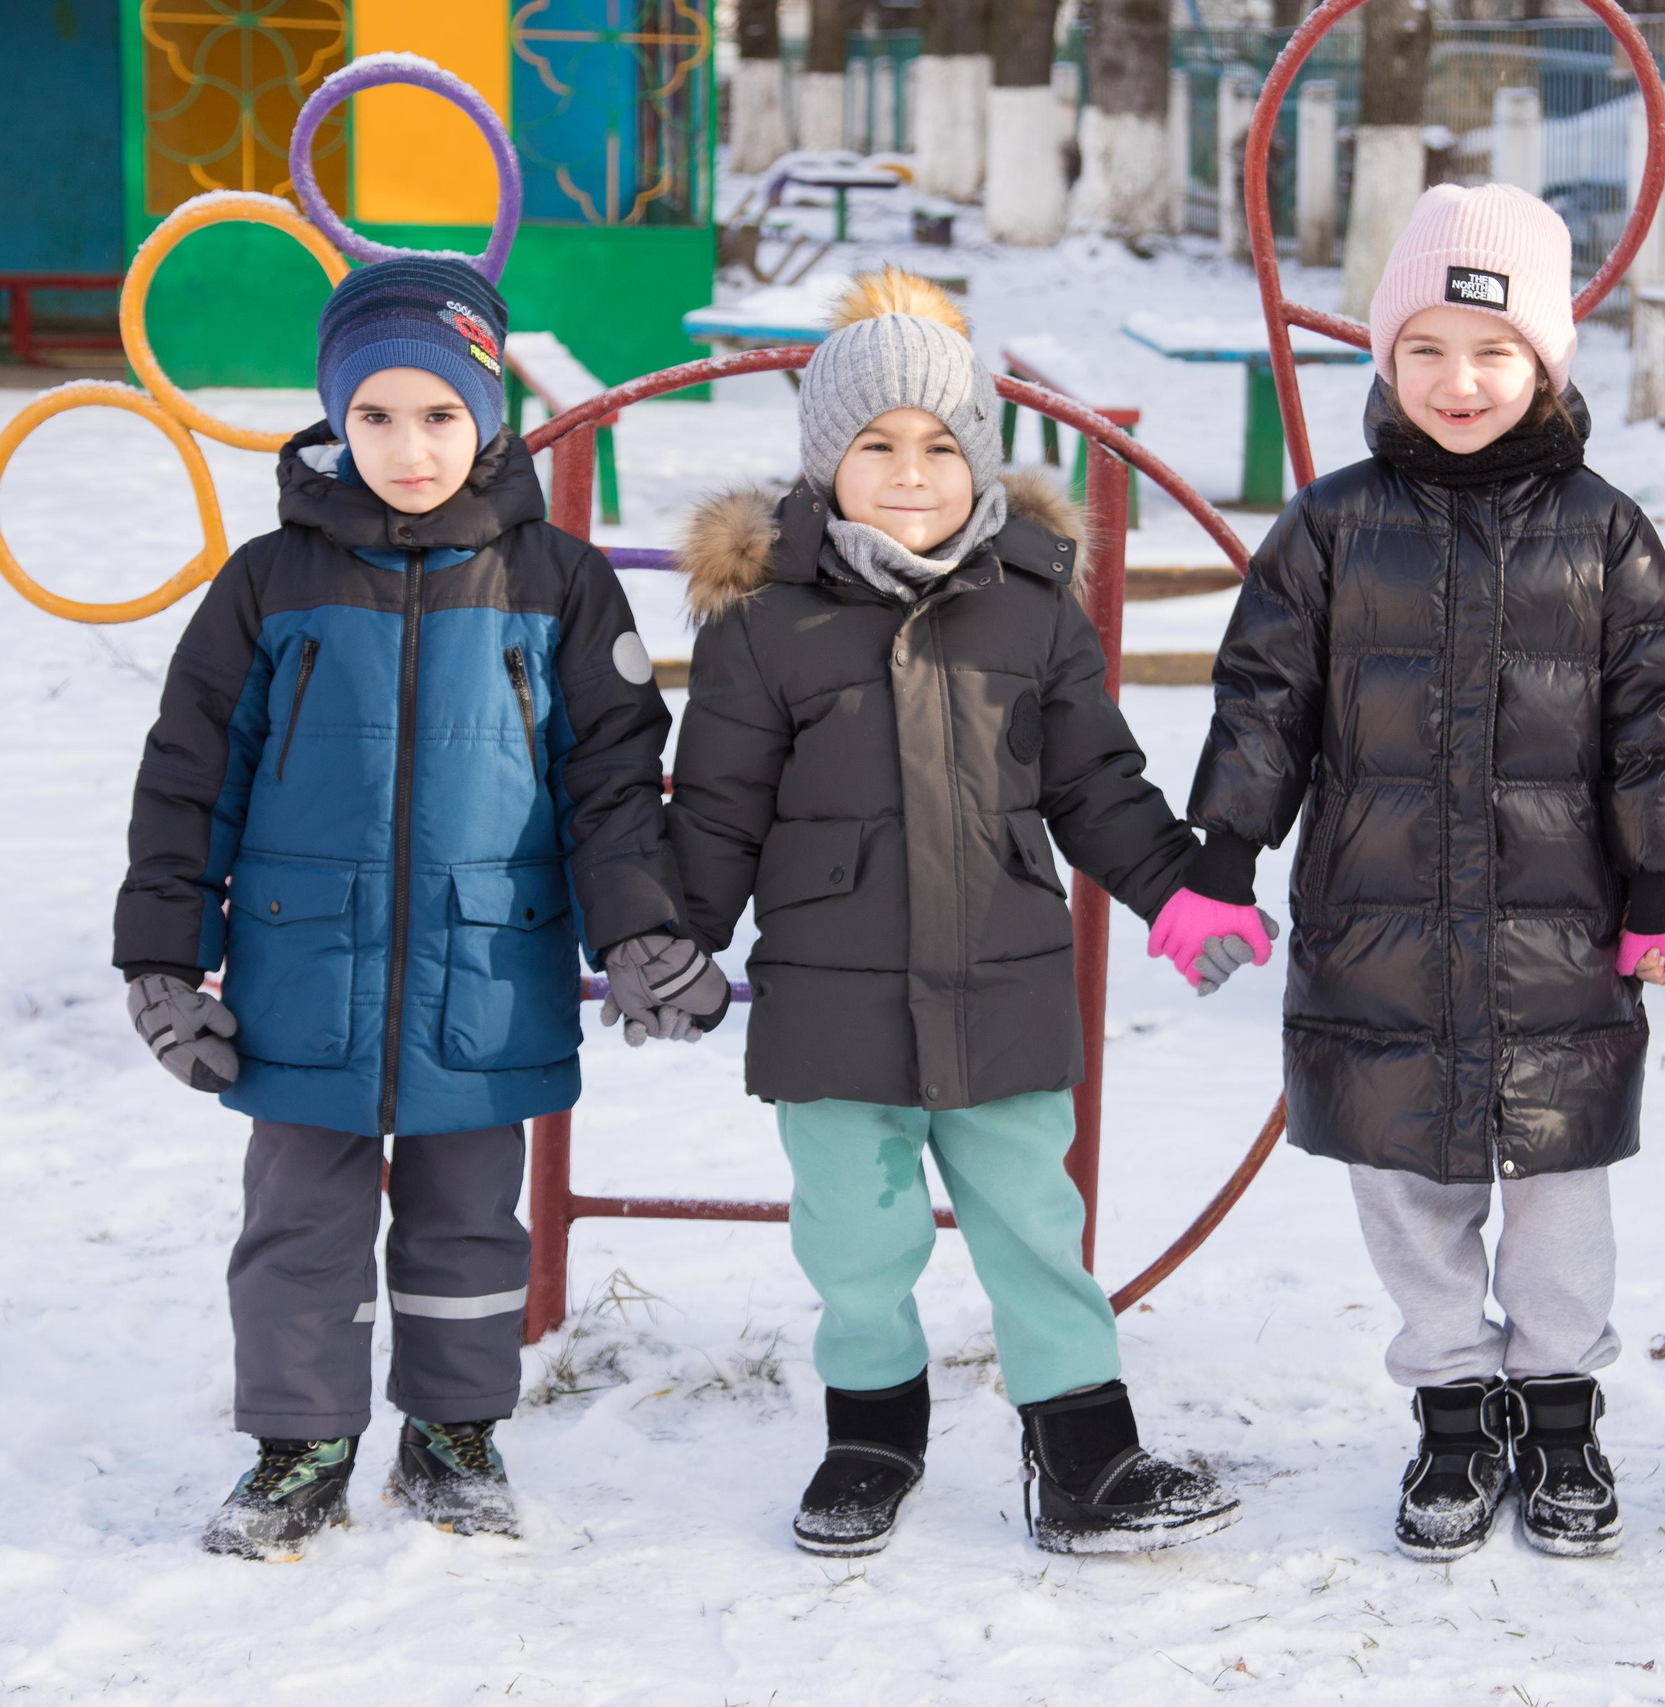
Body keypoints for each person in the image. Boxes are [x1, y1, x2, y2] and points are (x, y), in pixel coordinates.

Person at [114, 256, 723, 1560]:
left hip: (485, 965)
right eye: (376, 416)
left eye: (441, 414)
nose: (408, 447)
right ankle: (300, 1447)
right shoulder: (268, 582)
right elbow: (188, 776)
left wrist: (640, 931)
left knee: (468, 1224)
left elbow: (613, 782)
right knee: (299, 1221)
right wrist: (163, 961)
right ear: (335, 416)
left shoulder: (559, 582)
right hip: (301, 967)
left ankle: (455, 1437)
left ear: (489, 414)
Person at [1158, 185, 1665, 1561]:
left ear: (1545, 363)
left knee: (1560, 1184)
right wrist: (1224, 851)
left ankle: (1562, 1408)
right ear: (1386, 358)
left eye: (1492, 351)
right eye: (1426, 350)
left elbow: (1652, 714)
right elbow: (1263, 700)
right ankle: (1456, 1407)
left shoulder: (1604, 532)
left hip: (1557, 935)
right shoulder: (1332, 526)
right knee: (1405, 1181)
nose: (1458, 382)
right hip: (1381, 928)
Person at [665, 268, 1244, 1558]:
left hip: (1003, 981)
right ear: (825, 460)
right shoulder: (764, 628)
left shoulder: (1031, 611)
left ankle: (1086, 1459)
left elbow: (1095, 781)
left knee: (1038, 1225)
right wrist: (675, 938)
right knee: (855, 1240)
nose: (911, 473)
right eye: (876, 445)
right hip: (834, 1001)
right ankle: (871, 1441)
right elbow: (715, 807)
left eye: (939, 444)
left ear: (980, 454)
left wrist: (1176, 889)